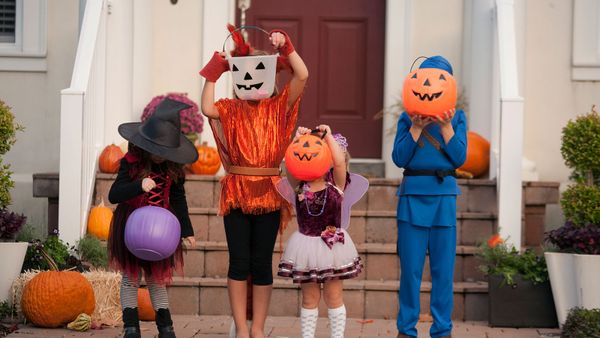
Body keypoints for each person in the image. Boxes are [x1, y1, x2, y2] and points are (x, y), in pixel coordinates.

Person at [199, 24, 308, 338]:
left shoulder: (279, 108)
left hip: (268, 194)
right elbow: (207, 107)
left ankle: (258, 328)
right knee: (239, 261)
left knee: (261, 263)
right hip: (237, 193)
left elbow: (302, 75)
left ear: (270, 75)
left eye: (258, 71)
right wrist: (213, 72)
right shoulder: (230, 109)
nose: (249, 77)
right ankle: (242, 328)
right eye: (242, 73)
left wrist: (286, 46)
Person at [107, 98, 198, 338]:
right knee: (130, 278)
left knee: (157, 280)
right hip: (132, 228)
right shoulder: (131, 163)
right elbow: (114, 195)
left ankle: (166, 329)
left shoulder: (173, 169)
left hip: (161, 231)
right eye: (157, 151)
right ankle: (131, 328)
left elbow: (178, 199)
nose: (160, 156)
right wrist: (139, 185)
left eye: (165, 151)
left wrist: (187, 231)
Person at [392, 56, 467, 338]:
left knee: (442, 272)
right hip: (412, 198)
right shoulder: (405, 118)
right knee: (410, 271)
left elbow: (459, 158)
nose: (428, 85)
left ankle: (442, 330)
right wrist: (415, 127)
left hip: (444, 199)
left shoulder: (458, 118)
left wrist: (446, 127)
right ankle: (406, 330)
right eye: (423, 78)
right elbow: (399, 158)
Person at [277, 125, 365, 338]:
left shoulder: (337, 186)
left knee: (334, 296)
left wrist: (327, 137)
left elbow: (339, 162)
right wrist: (297, 140)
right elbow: (291, 162)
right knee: (309, 298)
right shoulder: (299, 186)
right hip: (306, 247)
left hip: (332, 247)